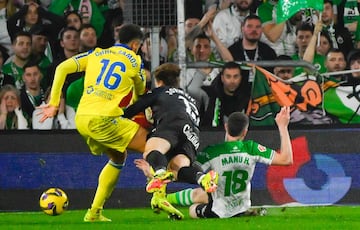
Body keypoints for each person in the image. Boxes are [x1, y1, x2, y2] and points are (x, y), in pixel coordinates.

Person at [38, 23, 149, 222]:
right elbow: (140, 94)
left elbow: (62, 67)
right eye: (138, 46)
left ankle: (94, 213)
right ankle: (161, 198)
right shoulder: (135, 61)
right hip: (104, 119)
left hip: (82, 118)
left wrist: (53, 103)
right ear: (135, 45)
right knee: (153, 146)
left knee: (118, 157)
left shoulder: (96, 54)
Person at [136, 108, 293, 218]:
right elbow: (287, 159)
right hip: (241, 207)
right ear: (245, 131)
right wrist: (283, 127)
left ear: (226, 127)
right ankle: (169, 199)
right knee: (203, 193)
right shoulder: (251, 148)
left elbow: (183, 173)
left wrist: (152, 172)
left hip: (218, 212)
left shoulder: (212, 152)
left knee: (193, 208)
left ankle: (166, 199)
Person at [123, 63, 219, 219]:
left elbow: (135, 108)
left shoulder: (160, 91)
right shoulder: (189, 99)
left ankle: (160, 174)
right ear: (177, 81)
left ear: (159, 81)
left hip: (172, 122)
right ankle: (203, 178)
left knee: (152, 151)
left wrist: (118, 117)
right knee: (177, 168)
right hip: (193, 133)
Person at [228, 14, 277, 93]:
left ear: (261, 30)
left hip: (263, 94)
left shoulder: (269, 52)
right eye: (249, 26)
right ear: (242, 28)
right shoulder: (232, 51)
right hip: (237, 95)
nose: (254, 30)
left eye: (257, 27)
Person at [201, 61, 250, 128]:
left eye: (235, 77)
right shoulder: (210, 96)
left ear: (240, 78)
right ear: (222, 78)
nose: (232, 81)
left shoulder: (248, 96)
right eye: (228, 76)